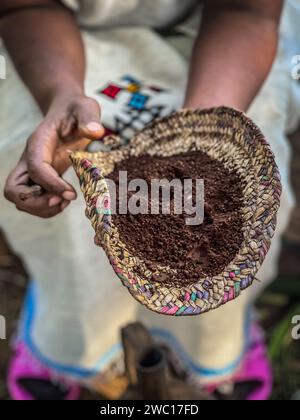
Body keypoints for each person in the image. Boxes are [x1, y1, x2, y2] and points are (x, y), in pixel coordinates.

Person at [0, 0, 299, 400]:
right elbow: (23, 7)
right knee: (61, 197)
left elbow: (248, 10)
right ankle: (69, 342)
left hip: (221, 47)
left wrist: (201, 132)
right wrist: (59, 94)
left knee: (242, 205)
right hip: (57, 49)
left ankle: (217, 349)